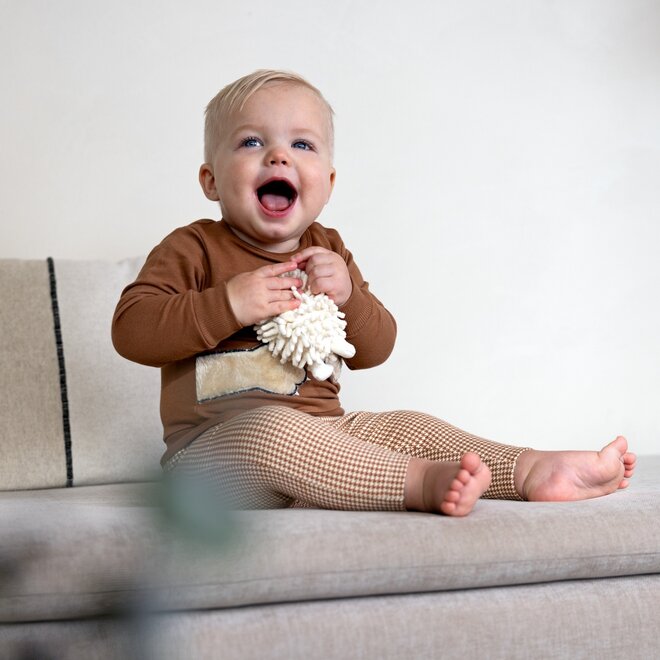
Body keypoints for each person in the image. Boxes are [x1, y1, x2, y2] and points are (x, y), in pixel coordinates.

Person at [112, 69, 636, 516]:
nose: (278, 157)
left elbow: (376, 348)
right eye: (252, 142)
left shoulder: (328, 249)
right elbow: (131, 330)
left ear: (329, 181)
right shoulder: (194, 247)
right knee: (269, 430)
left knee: (409, 424)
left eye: (302, 144)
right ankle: (418, 484)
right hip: (209, 463)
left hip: (325, 438)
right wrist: (228, 302)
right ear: (210, 180)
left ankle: (529, 470)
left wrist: (350, 298)